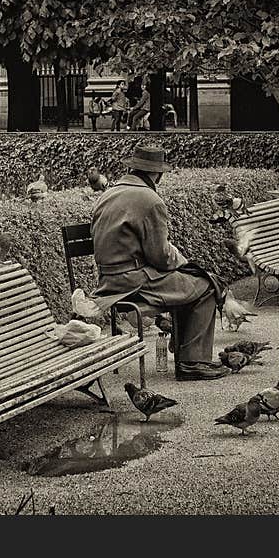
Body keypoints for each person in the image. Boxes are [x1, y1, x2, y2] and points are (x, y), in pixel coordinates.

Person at [90, 145, 231, 381]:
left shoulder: (108, 193)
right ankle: (192, 362)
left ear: (132, 168)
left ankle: (187, 353)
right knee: (206, 284)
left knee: (190, 283)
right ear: (157, 174)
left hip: (107, 281)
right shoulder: (150, 200)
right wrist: (183, 261)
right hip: (133, 283)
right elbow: (161, 257)